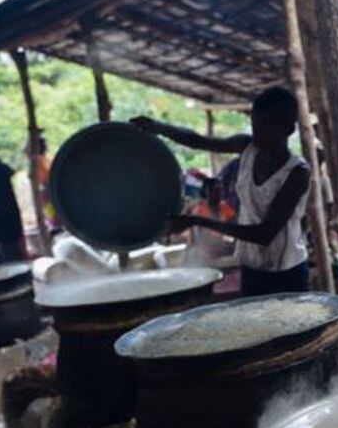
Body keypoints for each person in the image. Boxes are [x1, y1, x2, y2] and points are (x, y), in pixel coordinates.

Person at [132, 87, 313, 296]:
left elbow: (264, 234)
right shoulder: (248, 147)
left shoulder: (297, 172)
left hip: (286, 274)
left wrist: (196, 221)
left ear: (288, 130)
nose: (256, 132)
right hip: (252, 267)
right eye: (254, 124)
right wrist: (159, 127)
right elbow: (199, 141)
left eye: (265, 127)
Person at [187, 178, 236, 260]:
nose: (218, 193)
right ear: (206, 192)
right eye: (214, 190)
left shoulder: (225, 208)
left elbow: (234, 228)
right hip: (201, 252)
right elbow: (200, 239)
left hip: (220, 249)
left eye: (220, 190)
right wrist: (227, 243)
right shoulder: (199, 211)